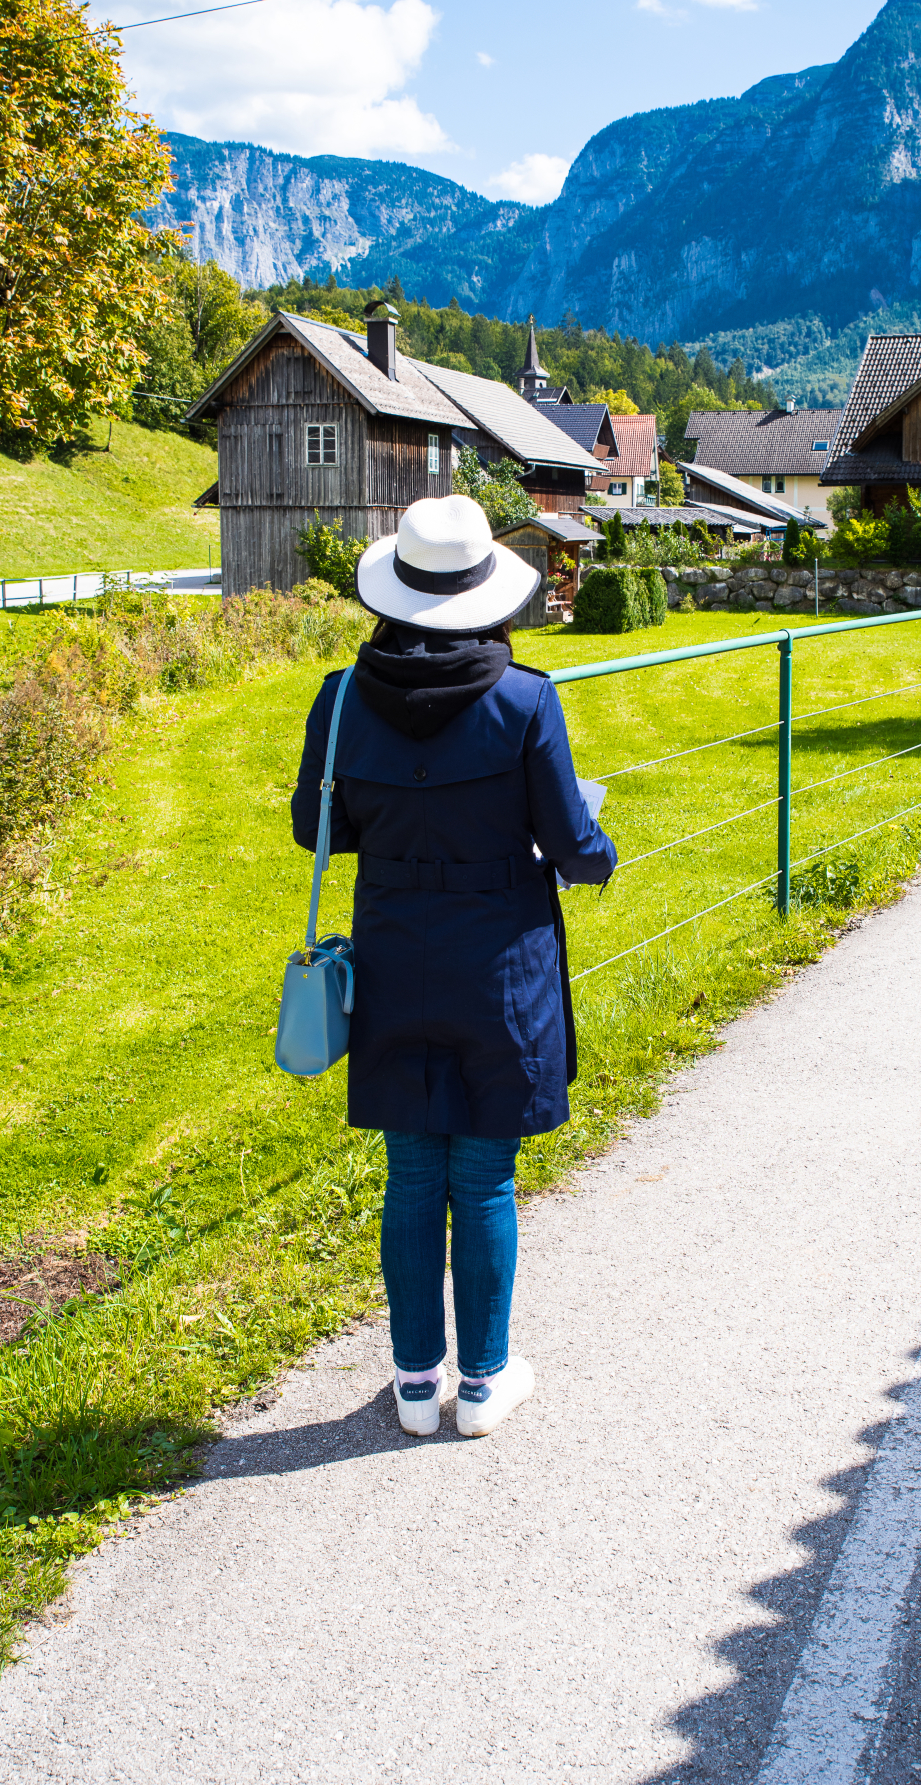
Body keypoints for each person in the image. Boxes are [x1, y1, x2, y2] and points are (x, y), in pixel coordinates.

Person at [291, 495, 616, 1438]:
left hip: (392, 951)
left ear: (394, 593)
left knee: (410, 1178)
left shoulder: (340, 697)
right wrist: (599, 851)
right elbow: (567, 840)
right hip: (497, 962)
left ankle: (412, 1385)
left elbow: (317, 828)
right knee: (481, 1178)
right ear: (488, 597)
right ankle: (480, 1385)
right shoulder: (524, 698)